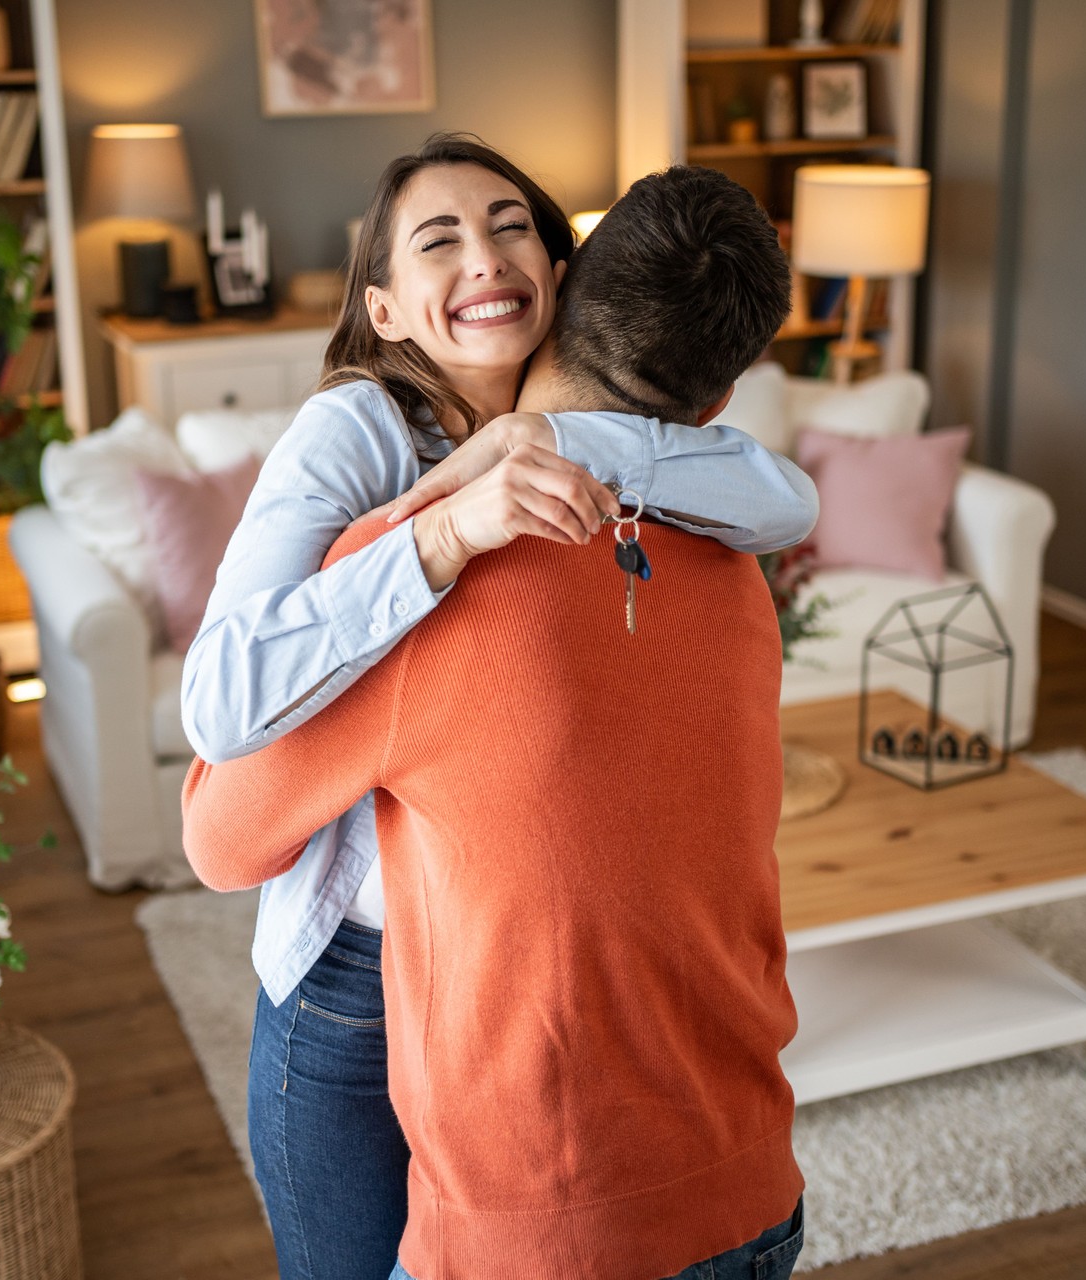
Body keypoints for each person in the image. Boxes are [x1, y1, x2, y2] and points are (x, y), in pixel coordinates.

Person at [180, 135, 816, 1280]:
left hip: (498, 1011)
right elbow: (223, 717)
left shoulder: (652, 489)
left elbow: (782, 492)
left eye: (513, 223)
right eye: (438, 238)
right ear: (384, 310)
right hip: (359, 968)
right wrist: (439, 532)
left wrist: (555, 439)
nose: (485, 253)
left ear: (565, 279)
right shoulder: (362, 442)